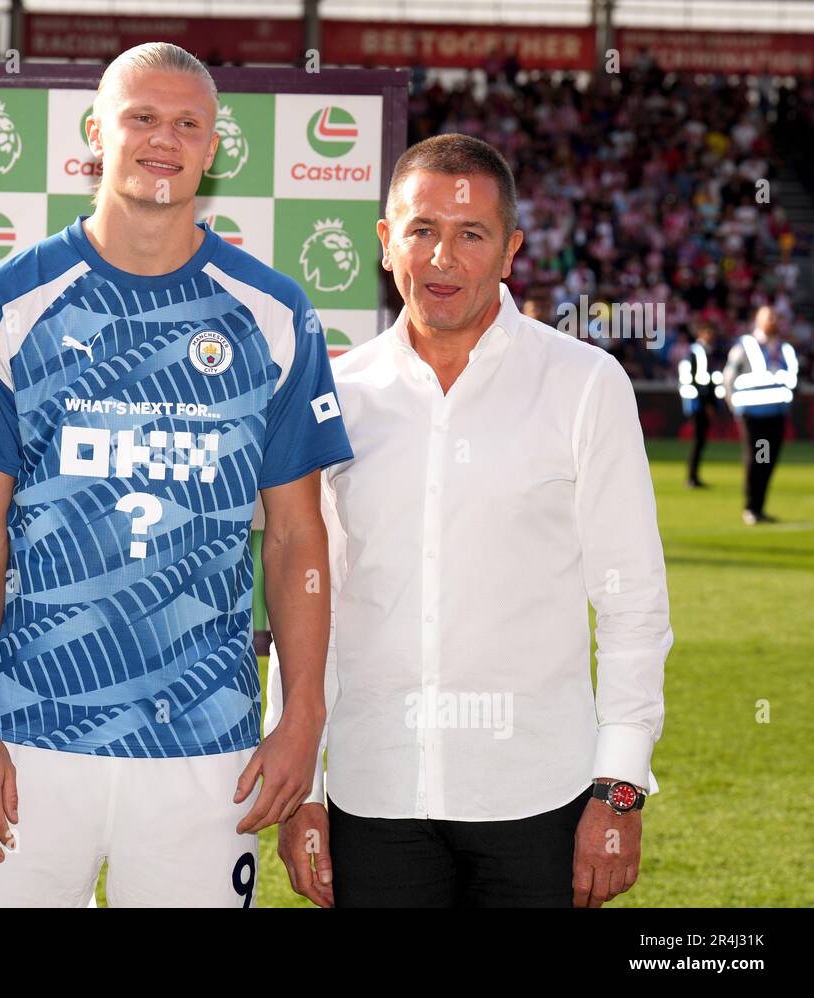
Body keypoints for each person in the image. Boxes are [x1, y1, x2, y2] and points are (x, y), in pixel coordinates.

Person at [0, 42, 351, 907]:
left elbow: (297, 536)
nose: (166, 140)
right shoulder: (11, 301)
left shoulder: (272, 312)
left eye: (188, 124)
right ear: (97, 133)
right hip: (31, 736)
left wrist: (302, 713)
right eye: (143, 118)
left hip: (206, 746)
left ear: (213, 149)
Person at [272, 133, 672, 908]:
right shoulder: (336, 394)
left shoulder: (586, 384)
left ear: (510, 251)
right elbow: (303, 602)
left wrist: (619, 787)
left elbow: (632, 602)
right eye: (421, 230)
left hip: (537, 795)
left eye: (471, 234)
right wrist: (304, 788)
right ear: (388, 243)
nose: (442, 258)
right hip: (372, 794)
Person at [723, 305, 799, 524]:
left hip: (775, 414)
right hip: (754, 415)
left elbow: (792, 377)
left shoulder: (784, 348)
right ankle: (752, 507)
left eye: (776, 317)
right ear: (758, 320)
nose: (773, 321)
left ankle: (759, 507)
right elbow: (729, 376)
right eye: (769, 317)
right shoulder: (745, 346)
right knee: (758, 458)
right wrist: (734, 405)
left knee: (768, 460)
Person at [679, 319, 725, 488]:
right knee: (698, 441)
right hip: (698, 403)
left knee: (700, 441)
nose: (711, 335)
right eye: (708, 332)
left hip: (702, 402)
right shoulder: (697, 353)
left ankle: (694, 476)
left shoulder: (707, 352)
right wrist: (707, 404)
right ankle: (692, 477)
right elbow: (698, 381)